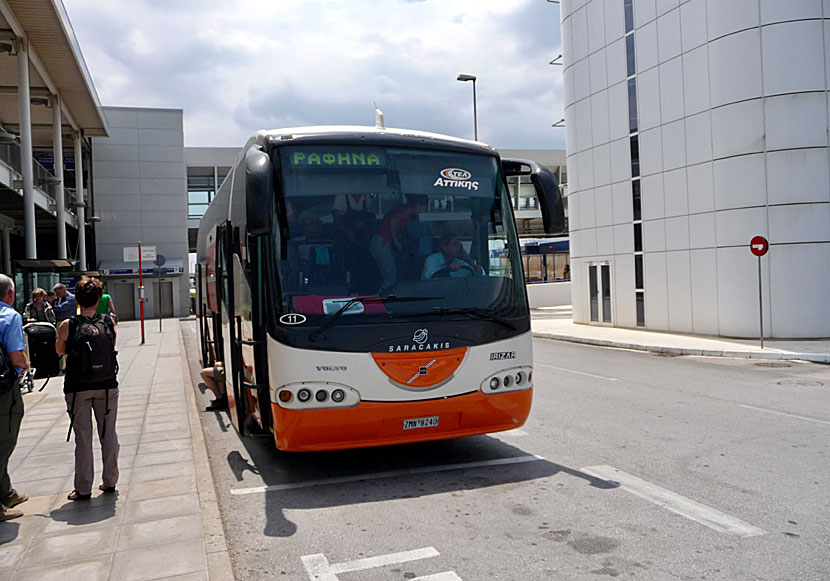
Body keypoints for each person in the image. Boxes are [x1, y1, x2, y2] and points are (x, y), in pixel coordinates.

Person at [56, 276, 119, 501]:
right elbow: (111, 347)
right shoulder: (108, 323)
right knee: (108, 433)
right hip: (107, 386)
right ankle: (110, 481)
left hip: (78, 388)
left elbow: (59, 350)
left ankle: (83, 489)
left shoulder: (68, 325)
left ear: (78, 300)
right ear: (99, 298)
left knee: (83, 437)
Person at [0, 274, 28, 520]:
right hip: (4, 389)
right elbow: (16, 356)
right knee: (5, 440)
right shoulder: (10, 316)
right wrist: (26, 366)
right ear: (10, 294)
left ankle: (7, 492)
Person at [369, 194, 428, 291]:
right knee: (390, 277)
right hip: (382, 243)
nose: (420, 211)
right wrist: (396, 242)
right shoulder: (407, 210)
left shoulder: (403, 209)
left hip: (383, 243)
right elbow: (393, 221)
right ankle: (382, 298)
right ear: (417, 205)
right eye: (421, 208)